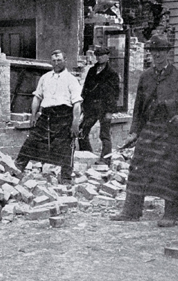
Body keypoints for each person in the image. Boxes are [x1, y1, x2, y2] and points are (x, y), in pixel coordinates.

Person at [110, 35, 178, 227]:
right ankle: (131, 211)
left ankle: (172, 213)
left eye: (161, 51)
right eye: (154, 52)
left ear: (167, 53)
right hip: (149, 130)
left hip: (171, 131)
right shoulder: (146, 76)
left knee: (170, 173)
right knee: (138, 169)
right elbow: (138, 107)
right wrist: (135, 131)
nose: (157, 55)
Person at [15, 50, 82, 184]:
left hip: (64, 116)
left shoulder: (71, 80)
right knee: (32, 141)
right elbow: (37, 97)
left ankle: (65, 178)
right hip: (46, 115)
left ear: (65, 61)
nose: (56, 63)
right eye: (54, 61)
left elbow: (76, 104)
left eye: (59, 60)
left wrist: (75, 124)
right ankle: (17, 169)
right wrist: (33, 116)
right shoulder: (45, 78)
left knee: (65, 147)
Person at [78, 45, 120, 165]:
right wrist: (82, 104)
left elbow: (114, 94)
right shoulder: (92, 71)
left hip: (104, 107)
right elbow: (85, 88)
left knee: (104, 134)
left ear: (107, 57)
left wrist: (110, 111)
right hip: (90, 106)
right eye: (98, 56)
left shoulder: (112, 73)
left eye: (102, 55)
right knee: (82, 130)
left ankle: (105, 160)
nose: (99, 58)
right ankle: (87, 155)